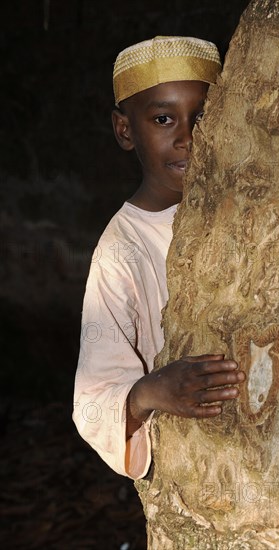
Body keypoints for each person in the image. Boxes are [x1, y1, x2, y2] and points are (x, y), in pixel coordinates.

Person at [73, 36, 245, 479]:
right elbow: (92, 401)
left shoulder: (254, 210)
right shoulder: (121, 250)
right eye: (164, 118)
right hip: (200, 473)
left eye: (203, 115)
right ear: (125, 130)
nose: (187, 137)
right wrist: (150, 390)